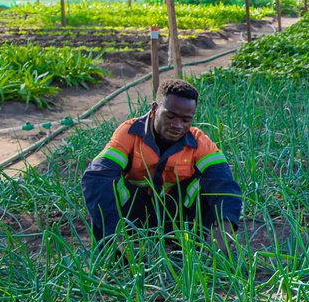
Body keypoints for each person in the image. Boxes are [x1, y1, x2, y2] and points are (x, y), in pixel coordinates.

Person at [82, 79, 242, 255]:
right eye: (170, 116)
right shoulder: (130, 133)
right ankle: (114, 254)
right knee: (105, 183)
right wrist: (115, 232)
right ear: (154, 109)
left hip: (178, 220)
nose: (177, 125)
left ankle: (190, 251)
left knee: (210, 184)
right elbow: (96, 177)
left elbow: (225, 184)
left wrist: (224, 230)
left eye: (186, 119)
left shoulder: (199, 142)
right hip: (133, 219)